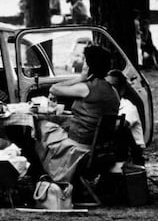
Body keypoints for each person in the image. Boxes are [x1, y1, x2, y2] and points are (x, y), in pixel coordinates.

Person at [35, 46, 120, 182]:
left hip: (81, 143)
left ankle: (48, 174)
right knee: (54, 128)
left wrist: (81, 78)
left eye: (85, 61)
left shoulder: (85, 88)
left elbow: (54, 89)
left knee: (41, 127)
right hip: (101, 144)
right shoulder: (113, 91)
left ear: (90, 65)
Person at [106, 69, 145, 165]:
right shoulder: (109, 105)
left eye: (112, 87)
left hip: (131, 153)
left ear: (122, 90)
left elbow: (118, 127)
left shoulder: (128, 107)